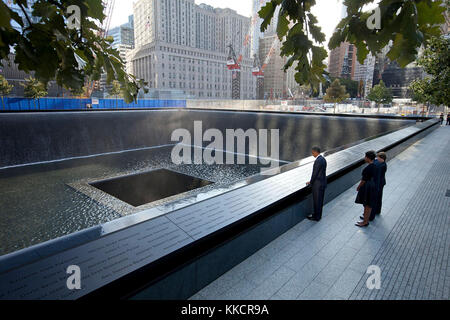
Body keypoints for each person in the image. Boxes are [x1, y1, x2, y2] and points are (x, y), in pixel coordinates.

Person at [355, 150, 377, 227]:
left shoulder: (368, 168)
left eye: (365, 157)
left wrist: (358, 187)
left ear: (368, 158)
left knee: (367, 204)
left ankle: (365, 222)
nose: (364, 158)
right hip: (373, 186)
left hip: (368, 187)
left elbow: (363, 180)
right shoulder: (375, 165)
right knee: (368, 204)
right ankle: (366, 220)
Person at [306, 146, 327, 221]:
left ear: (315, 152)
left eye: (312, 153)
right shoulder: (323, 159)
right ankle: (318, 215)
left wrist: (311, 182)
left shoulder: (318, 161)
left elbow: (314, 173)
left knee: (317, 201)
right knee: (320, 201)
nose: (312, 154)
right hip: (322, 183)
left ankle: (316, 217)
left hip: (318, 185)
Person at [368, 152, 387, 220]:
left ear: (382, 158)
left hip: (378, 184)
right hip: (381, 183)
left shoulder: (381, 166)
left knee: (375, 199)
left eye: (378, 157)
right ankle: (377, 211)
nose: (376, 159)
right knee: (379, 198)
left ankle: (371, 214)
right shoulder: (383, 164)